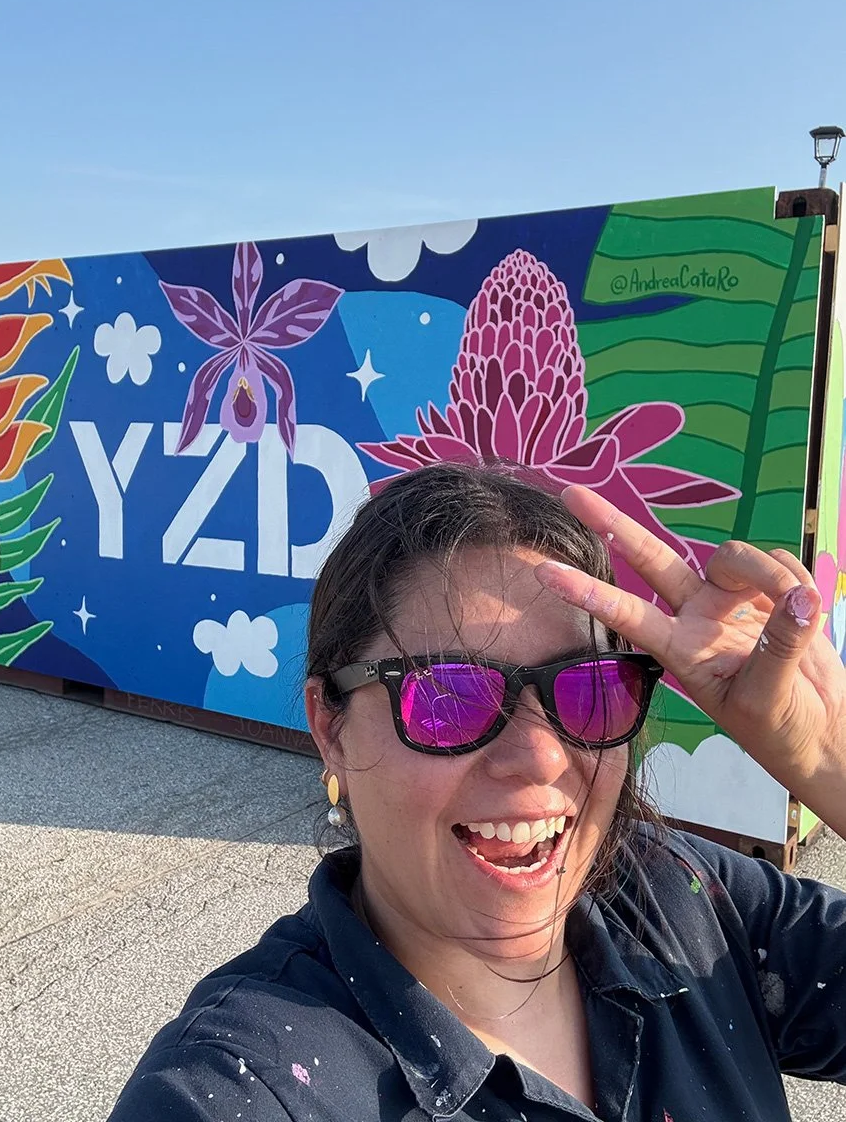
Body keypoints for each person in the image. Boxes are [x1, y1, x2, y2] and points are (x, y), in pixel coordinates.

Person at [107, 462, 846, 1121]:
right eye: (449, 696)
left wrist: (830, 760)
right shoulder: (243, 1090)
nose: (537, 758)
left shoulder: (683, 900)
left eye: (588, 689)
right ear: (330, 727)